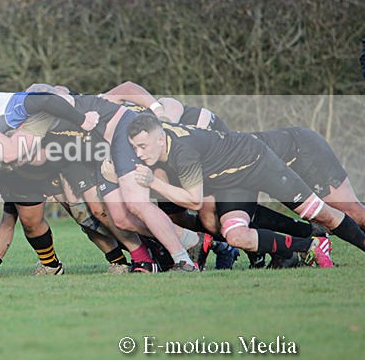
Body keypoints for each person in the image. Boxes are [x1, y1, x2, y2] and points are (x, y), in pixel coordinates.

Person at [125, 114, 350, 267]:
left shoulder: (173, 129)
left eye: (142, 146)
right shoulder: (144, 140)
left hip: (234, 159)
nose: (138, 152)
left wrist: (154, 181)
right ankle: (300, 242)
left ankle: (300, 241)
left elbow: (167, 106)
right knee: (221, 224)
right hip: (212, 169)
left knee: (215, 218)